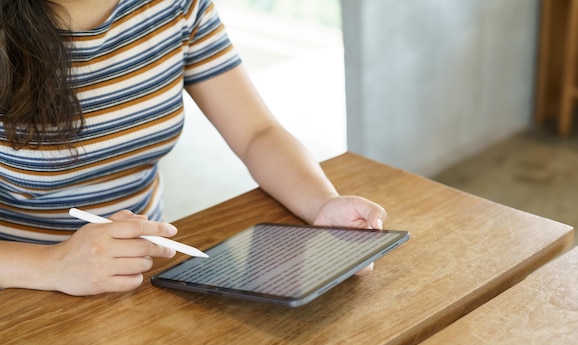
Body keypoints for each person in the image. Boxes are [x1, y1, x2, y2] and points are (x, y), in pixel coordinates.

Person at [0, 0, 386, 296]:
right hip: (22, 288)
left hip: (141, 274)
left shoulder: (175, 8)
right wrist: (52, 266)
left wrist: (321, 204)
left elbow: (257, 132)